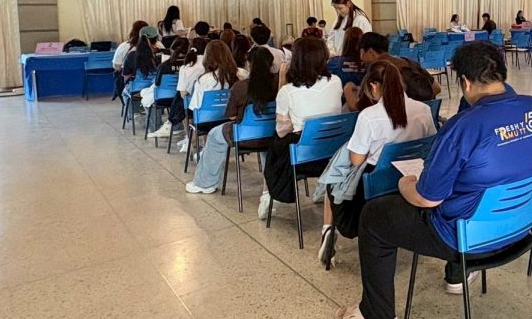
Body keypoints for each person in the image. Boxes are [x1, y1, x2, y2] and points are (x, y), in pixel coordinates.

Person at [332, 42, 532, 319]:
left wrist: (405, 184)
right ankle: (457, 276)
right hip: (520, 227)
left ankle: (377, 316)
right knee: (470, 188)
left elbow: (427, 199)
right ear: (502, 74)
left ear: (464, 82)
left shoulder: (463, 126)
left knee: (374, 214)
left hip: (465, 239)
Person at [316, 59, 438, 269]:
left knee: (333, 177)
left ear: (374, 86)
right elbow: (430, 145)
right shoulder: (423, 110)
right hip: (411, 177)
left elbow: (356, 160)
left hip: (376, 182)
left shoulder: (369, 116)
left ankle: (328, 229)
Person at [260, 37, 344, 219]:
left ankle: (267, 194)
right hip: (332, 153)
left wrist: (282, 81)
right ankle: (322, 187)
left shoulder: (288, 91)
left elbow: (282, 129)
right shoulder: (336, 81)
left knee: (275, 142)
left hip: (302, 157)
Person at [186, 47, 278, 194]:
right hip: (272, 134)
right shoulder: (279, 84)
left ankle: (205, 183)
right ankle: (271, 184)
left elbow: (232, 117)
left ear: (249, 64)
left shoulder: (240, 87)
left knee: (214, 135)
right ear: (271, 63)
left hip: (243, 135)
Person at [342, 32, 440, 107]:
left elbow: (359, 107)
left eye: (361, 52)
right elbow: (436, 88)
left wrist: (348, 89)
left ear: (371, 52)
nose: (361, 58)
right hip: (424, 120)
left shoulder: (376, 71)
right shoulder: (409, 63)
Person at [147, 37, 190, 137]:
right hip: (185, 98)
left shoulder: (164, 66)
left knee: (148, 101)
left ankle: (156, 128)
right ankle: (178, 127)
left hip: (165, 97)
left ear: (172, 49)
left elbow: (157, 83)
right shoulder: (190, 65)